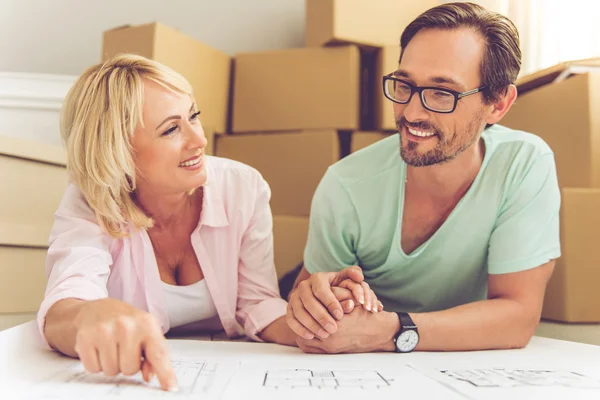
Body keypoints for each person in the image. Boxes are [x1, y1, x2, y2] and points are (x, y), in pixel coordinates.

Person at [38, 54, 367, 392]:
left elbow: (256, 303)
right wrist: (88, 317)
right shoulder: (91, 201)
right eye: (170, 129)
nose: (199, 140)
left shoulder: (243, 187)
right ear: (118, 151)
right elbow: (66, 303)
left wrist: (318, 321)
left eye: (193, 116)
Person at [286, 2, 560, 354]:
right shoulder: (345, 185)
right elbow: (313, 305)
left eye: (442, 93)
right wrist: (315, 301)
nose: (412, 113)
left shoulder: (524, 165)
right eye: (404, 85)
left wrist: (390, 330)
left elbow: (517, 317)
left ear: (498, 104)